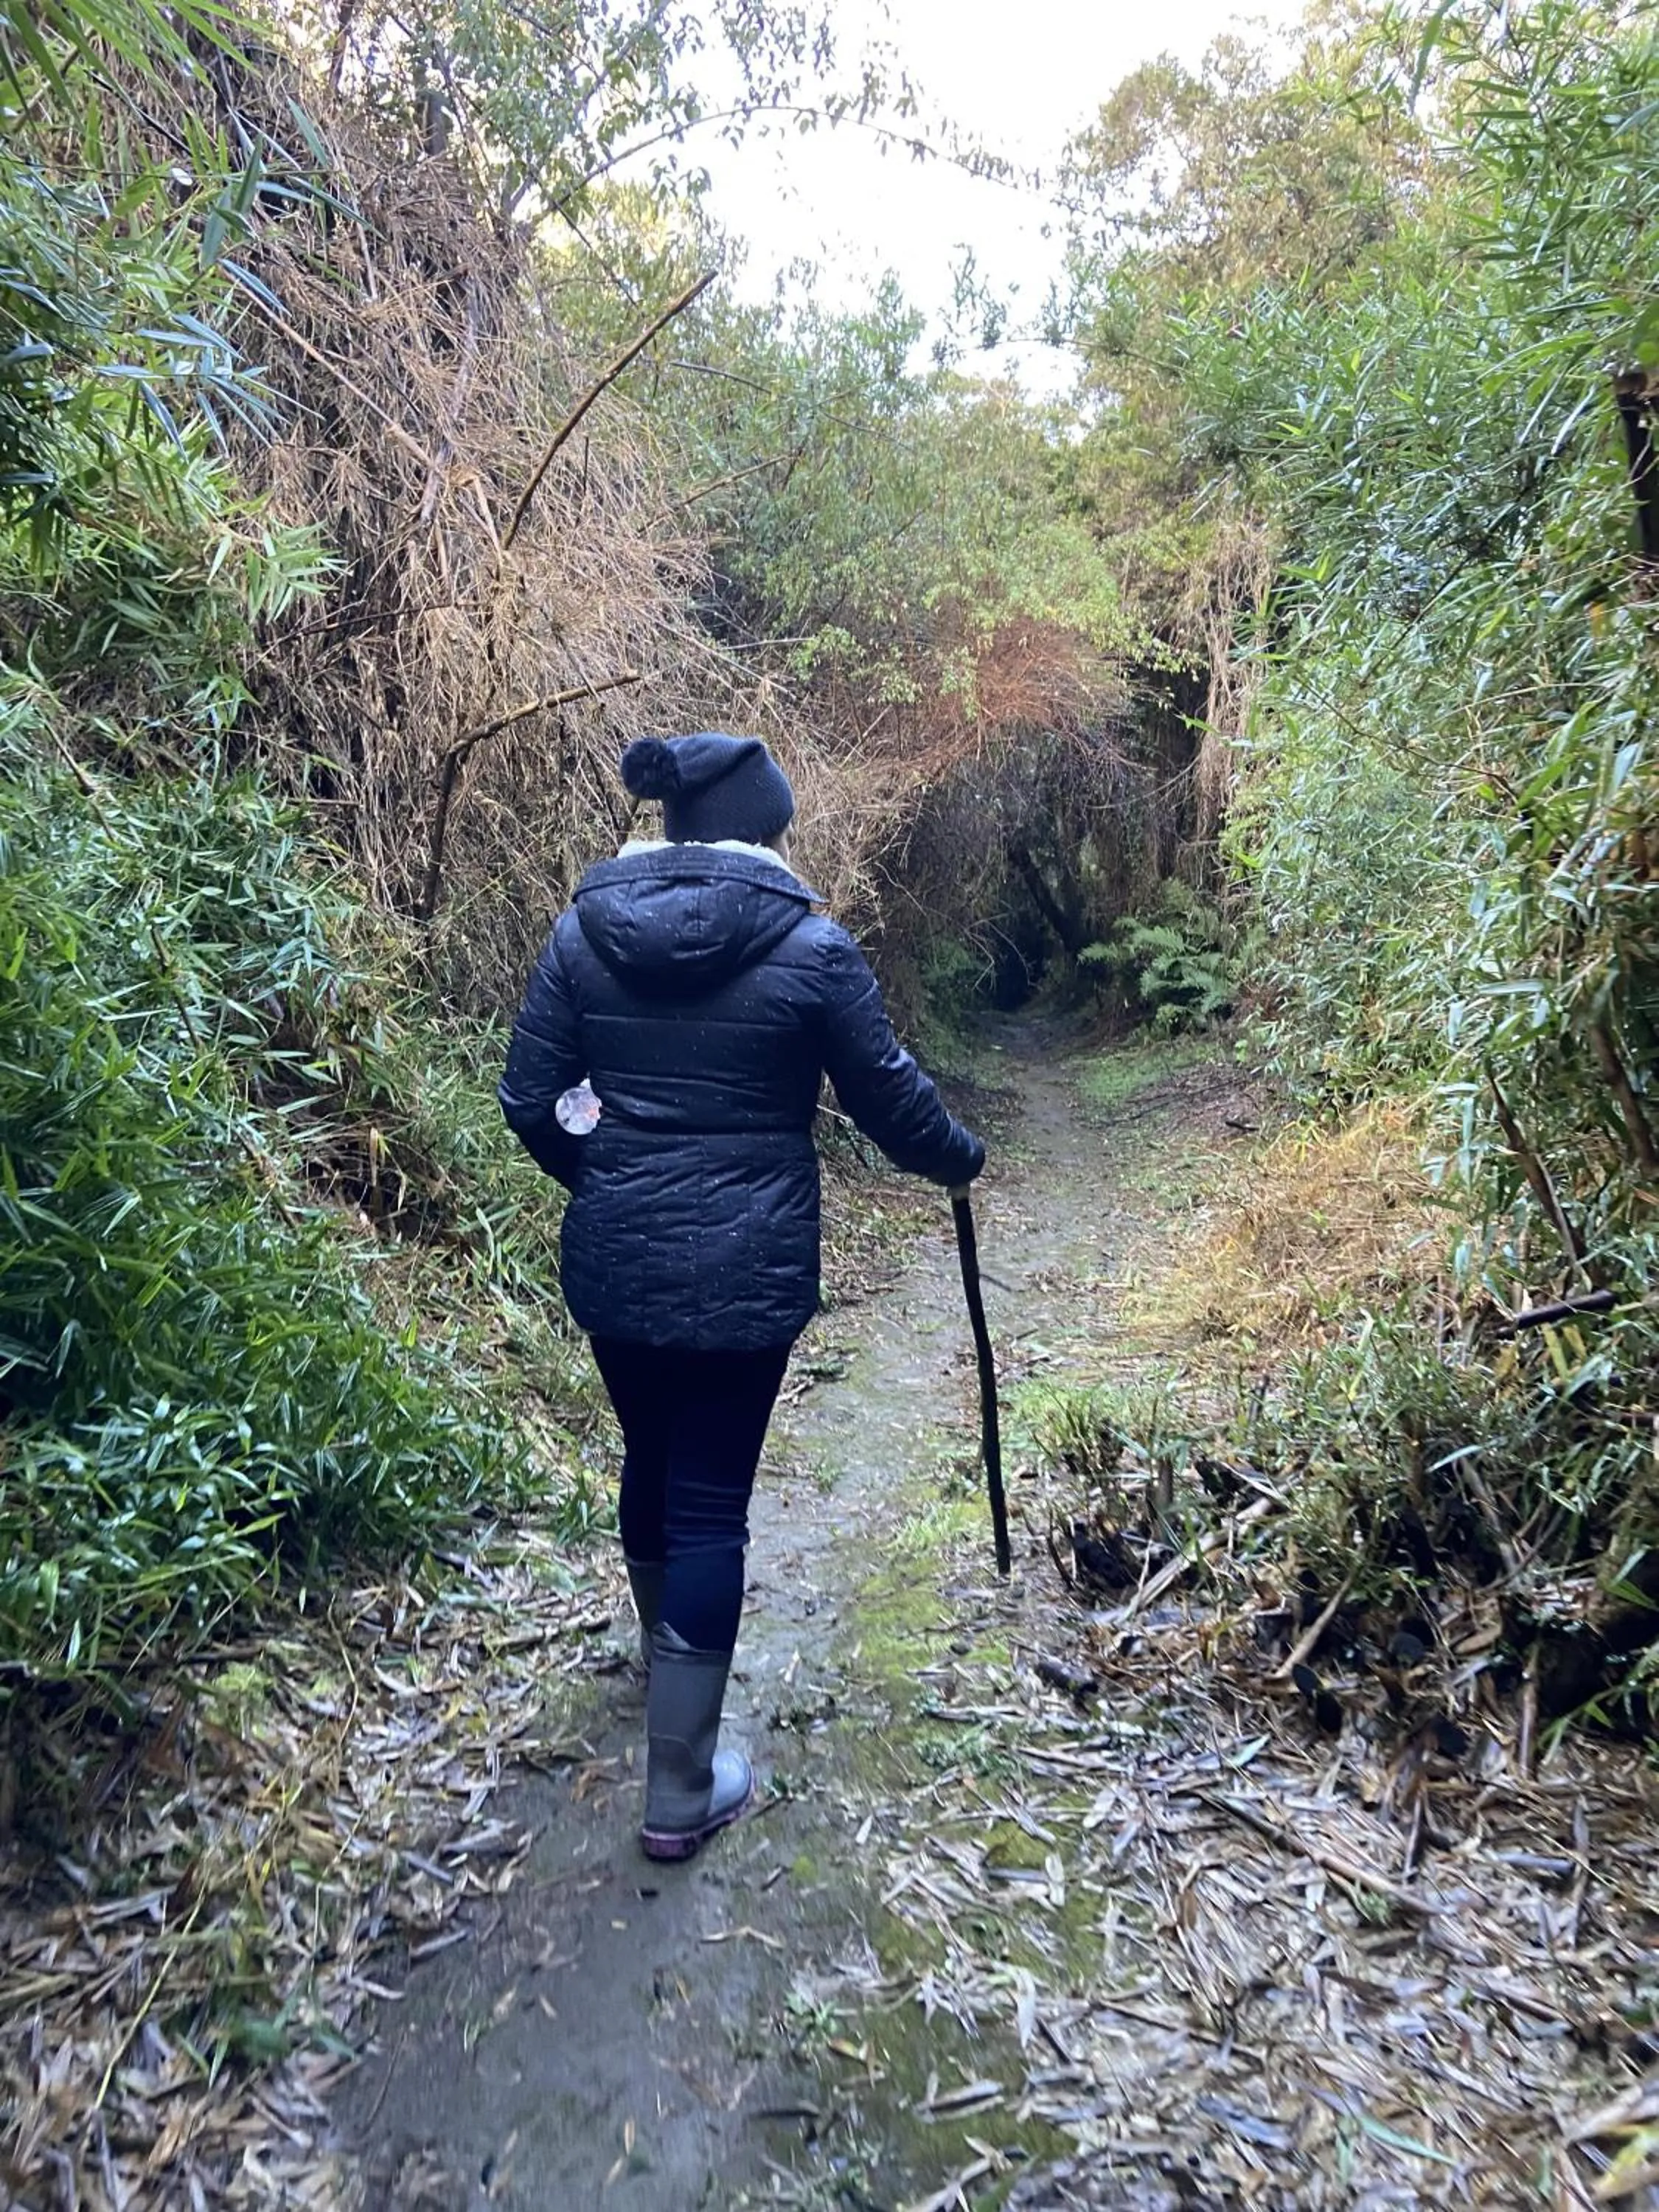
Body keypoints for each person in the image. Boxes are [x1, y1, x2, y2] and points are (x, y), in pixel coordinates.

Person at [499, 731, 985, 1861]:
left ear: (671, 828)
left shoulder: (582, 931)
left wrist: (610, 1178)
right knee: (710, 1497)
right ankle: (679, 1783)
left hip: (616, 1261)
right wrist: (960, 1157)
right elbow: (891, 1099)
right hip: (746, 1265)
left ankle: (662, 1661)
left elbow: (529, 1097)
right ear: (768, 829)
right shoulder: (812, 945)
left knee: (650, 1461)